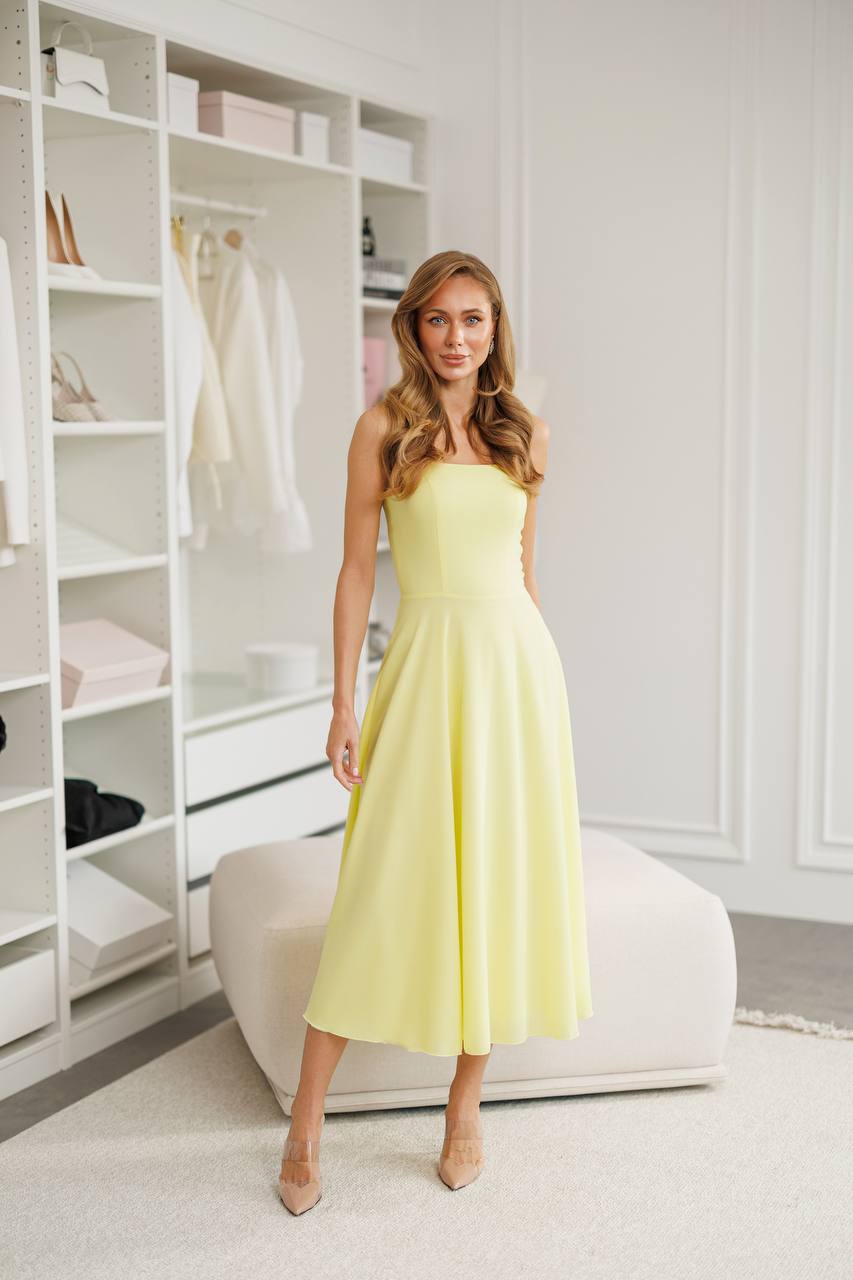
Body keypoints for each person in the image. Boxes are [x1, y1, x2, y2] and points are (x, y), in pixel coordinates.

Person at [277, 249, 593, 1215]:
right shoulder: (383, 428)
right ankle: (306, 1121)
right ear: (412, 329)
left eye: (476, 320)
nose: (457, 338)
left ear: (496, 330)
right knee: (379, 881)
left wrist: (546, 688)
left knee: (489, 886)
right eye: (439, 321)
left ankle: (465, 1106)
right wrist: (342, 702)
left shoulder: (525, 435)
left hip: (516, 675)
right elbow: (356, 575)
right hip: (421, 668)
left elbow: (526, 573)